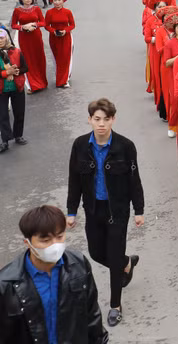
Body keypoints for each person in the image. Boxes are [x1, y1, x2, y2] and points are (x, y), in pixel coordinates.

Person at [65, 99, 144, 327]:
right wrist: (71, 211)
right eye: (97, 119)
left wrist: (138, 210)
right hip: (92, 209)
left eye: (106, 119)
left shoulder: (125, 146)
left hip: (117, 211)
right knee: (97, 252)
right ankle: (126, 263)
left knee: (113, 251)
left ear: (113, 120)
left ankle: (115, 305)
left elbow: (134, 179)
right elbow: (74, 180)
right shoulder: (80, 145)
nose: (101, 124)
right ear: (89, 119)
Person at [0, 205, 108, 343]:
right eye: (45, 240)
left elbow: (92, 315)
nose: (55, 244)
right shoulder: (6, 283)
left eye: (59, 236)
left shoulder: (79, 265)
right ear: (27, 243)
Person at [11, 0, 48, 93]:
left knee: (39, 58)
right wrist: (22, 27)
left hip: (36, 36)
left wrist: (34, 25)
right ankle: (33, 85)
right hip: (24, 37)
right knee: (28, 59)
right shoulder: (17, 10)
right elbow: (13, 25)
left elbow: (43, 22)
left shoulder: (37, 9)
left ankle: (42, 82)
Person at [0, 26, 28, 152]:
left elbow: (25, 68)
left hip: (17, 87)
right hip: (1, 90)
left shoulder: (16, 51)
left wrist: (16, 71)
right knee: (2, 115)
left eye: (1, 37)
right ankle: (5, 141)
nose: (0, 40)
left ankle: (18, 135)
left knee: (19, 112)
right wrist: (6, 73)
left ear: (6, 38)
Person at [43, 0, 75, 88]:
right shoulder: (49, 12)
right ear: (52, 1)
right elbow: (46, 25)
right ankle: (60, 78)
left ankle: (64, 80)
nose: (57, 2)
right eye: (55, 0)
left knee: (65, 58)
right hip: (54, 38)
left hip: (66, 38)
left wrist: (65, 30)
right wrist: (53, 31)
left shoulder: (68, 12)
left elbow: (72, 25)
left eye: (59, 0)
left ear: (63, 1)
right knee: (57, 59)